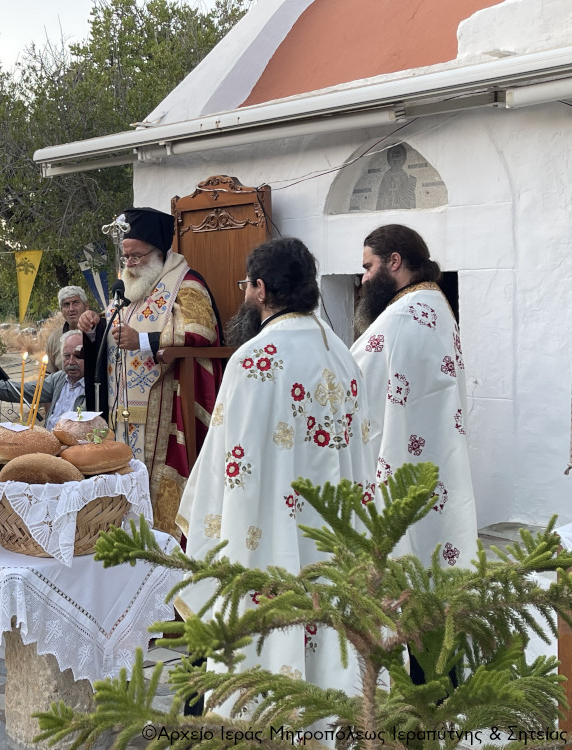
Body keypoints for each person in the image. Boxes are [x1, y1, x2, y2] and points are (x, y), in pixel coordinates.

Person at [177, 237, 375, 704]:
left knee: (265, 643)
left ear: (262, 289)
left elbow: (229, 464)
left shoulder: (254, 359)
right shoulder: (342, 353)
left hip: (269, 535)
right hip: (335, 529)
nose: (246, 294)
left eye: (247, 285)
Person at [79, 207, 222, 533]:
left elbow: (202, 331)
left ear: (158, 252)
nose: (129, 263)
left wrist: (143, 339)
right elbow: (113, 336)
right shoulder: (127, 286)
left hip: (164, 410)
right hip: (122, 409)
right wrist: (92, 328)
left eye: (136, 256)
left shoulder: (185, 283)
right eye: (126, 256)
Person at [350, 224, 476, 573]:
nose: (362, 279)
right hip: (434, 451)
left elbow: (352, 381)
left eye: (367, 266)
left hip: (402, 455)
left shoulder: (404, 314)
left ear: (394, 261)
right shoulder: (435, 303)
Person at [0, 331, 87, 430]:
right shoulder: (58, 379)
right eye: (67, 356)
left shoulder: (96, 386)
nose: (71, 362)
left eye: (77, 356)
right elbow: (25, 391)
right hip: (50, 439)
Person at [45, 286, 89, 374]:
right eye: (66, 305)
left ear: (86, 306)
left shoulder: (99, 333)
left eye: (75, 303)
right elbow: (48, 376)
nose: (71, 309)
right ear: (61, 310)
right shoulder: (55, 338)